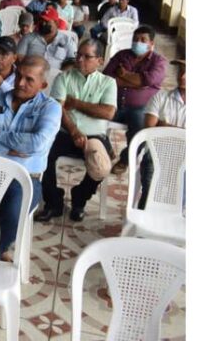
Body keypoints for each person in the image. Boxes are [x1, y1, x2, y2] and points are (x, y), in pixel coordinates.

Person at [0, 56, 61, 258]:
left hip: (24, 177)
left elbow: (37, 143)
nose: (20, 83)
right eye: (19, 75)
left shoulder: (50, 107)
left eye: (29, 79)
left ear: (42, 85)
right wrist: (3, 150)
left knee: (11, 210)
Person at [36, 39, 117, 222]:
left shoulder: (108, 83)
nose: (80, 60)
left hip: (94, 136)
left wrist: (76, 104)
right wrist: (73, 131)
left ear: (100, 61)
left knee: (102, 166)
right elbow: (58, 109)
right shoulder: (64, 78)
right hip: (65, 132)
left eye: (87, 56)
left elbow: (108, 112)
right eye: (78, 55)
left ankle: (79, 198)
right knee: (42, 152)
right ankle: (53, 203)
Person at [103, 25, 167, 175]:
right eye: (135, 39)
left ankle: (125, 160)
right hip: (115, 103)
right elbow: (107, 77)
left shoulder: (159, 62)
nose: (138, 42)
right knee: (94, 118)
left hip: (141, 108)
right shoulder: (122, 55)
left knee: (140, 130)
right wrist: (137, 82)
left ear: (151, 44)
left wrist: (123, 75)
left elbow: (148, 79)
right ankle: (106, 149)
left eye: (143, 40)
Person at [139, 59, 186, 209]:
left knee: (179, 201)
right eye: (181, 71)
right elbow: (149, 129)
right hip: (158, 152)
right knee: (151, 193)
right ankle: (145, 214)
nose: (183, 76)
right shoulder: (160, 97)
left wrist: (164, 125)